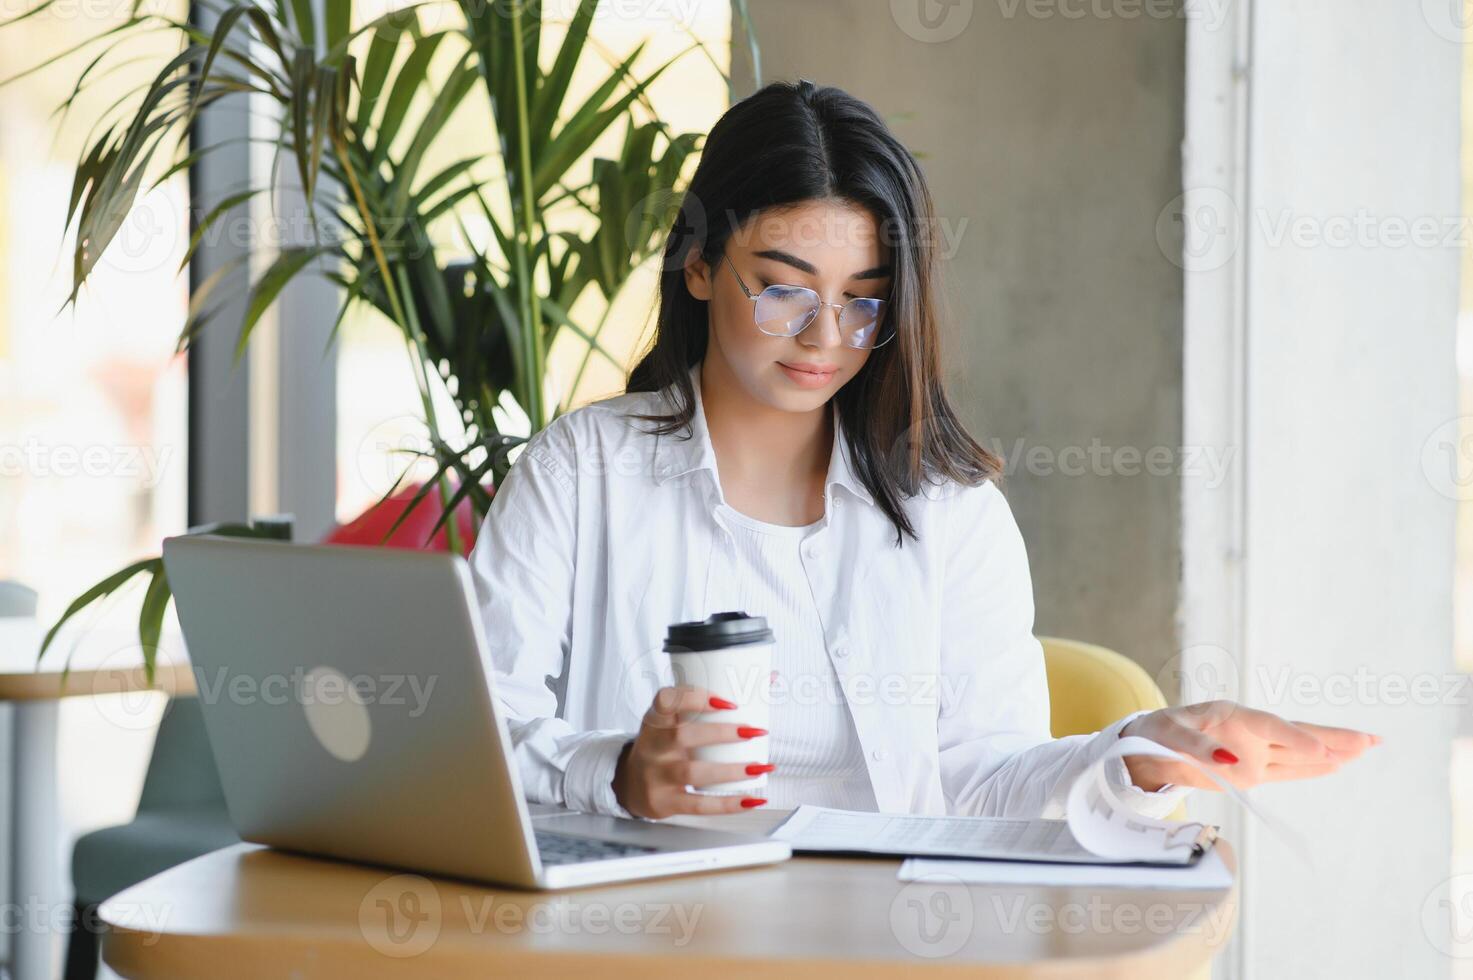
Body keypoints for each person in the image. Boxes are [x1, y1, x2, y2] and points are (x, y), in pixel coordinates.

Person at [468, 78, 1377, 822]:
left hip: (890, 935)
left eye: (864, 299)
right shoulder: (580, 473)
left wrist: (1147, 755)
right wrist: (617, 772)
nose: (826, 335)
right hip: (641, 934)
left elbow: (987, 784)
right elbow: (472, 740)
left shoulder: (947, 506)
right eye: (784, 290)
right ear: (700, 265)